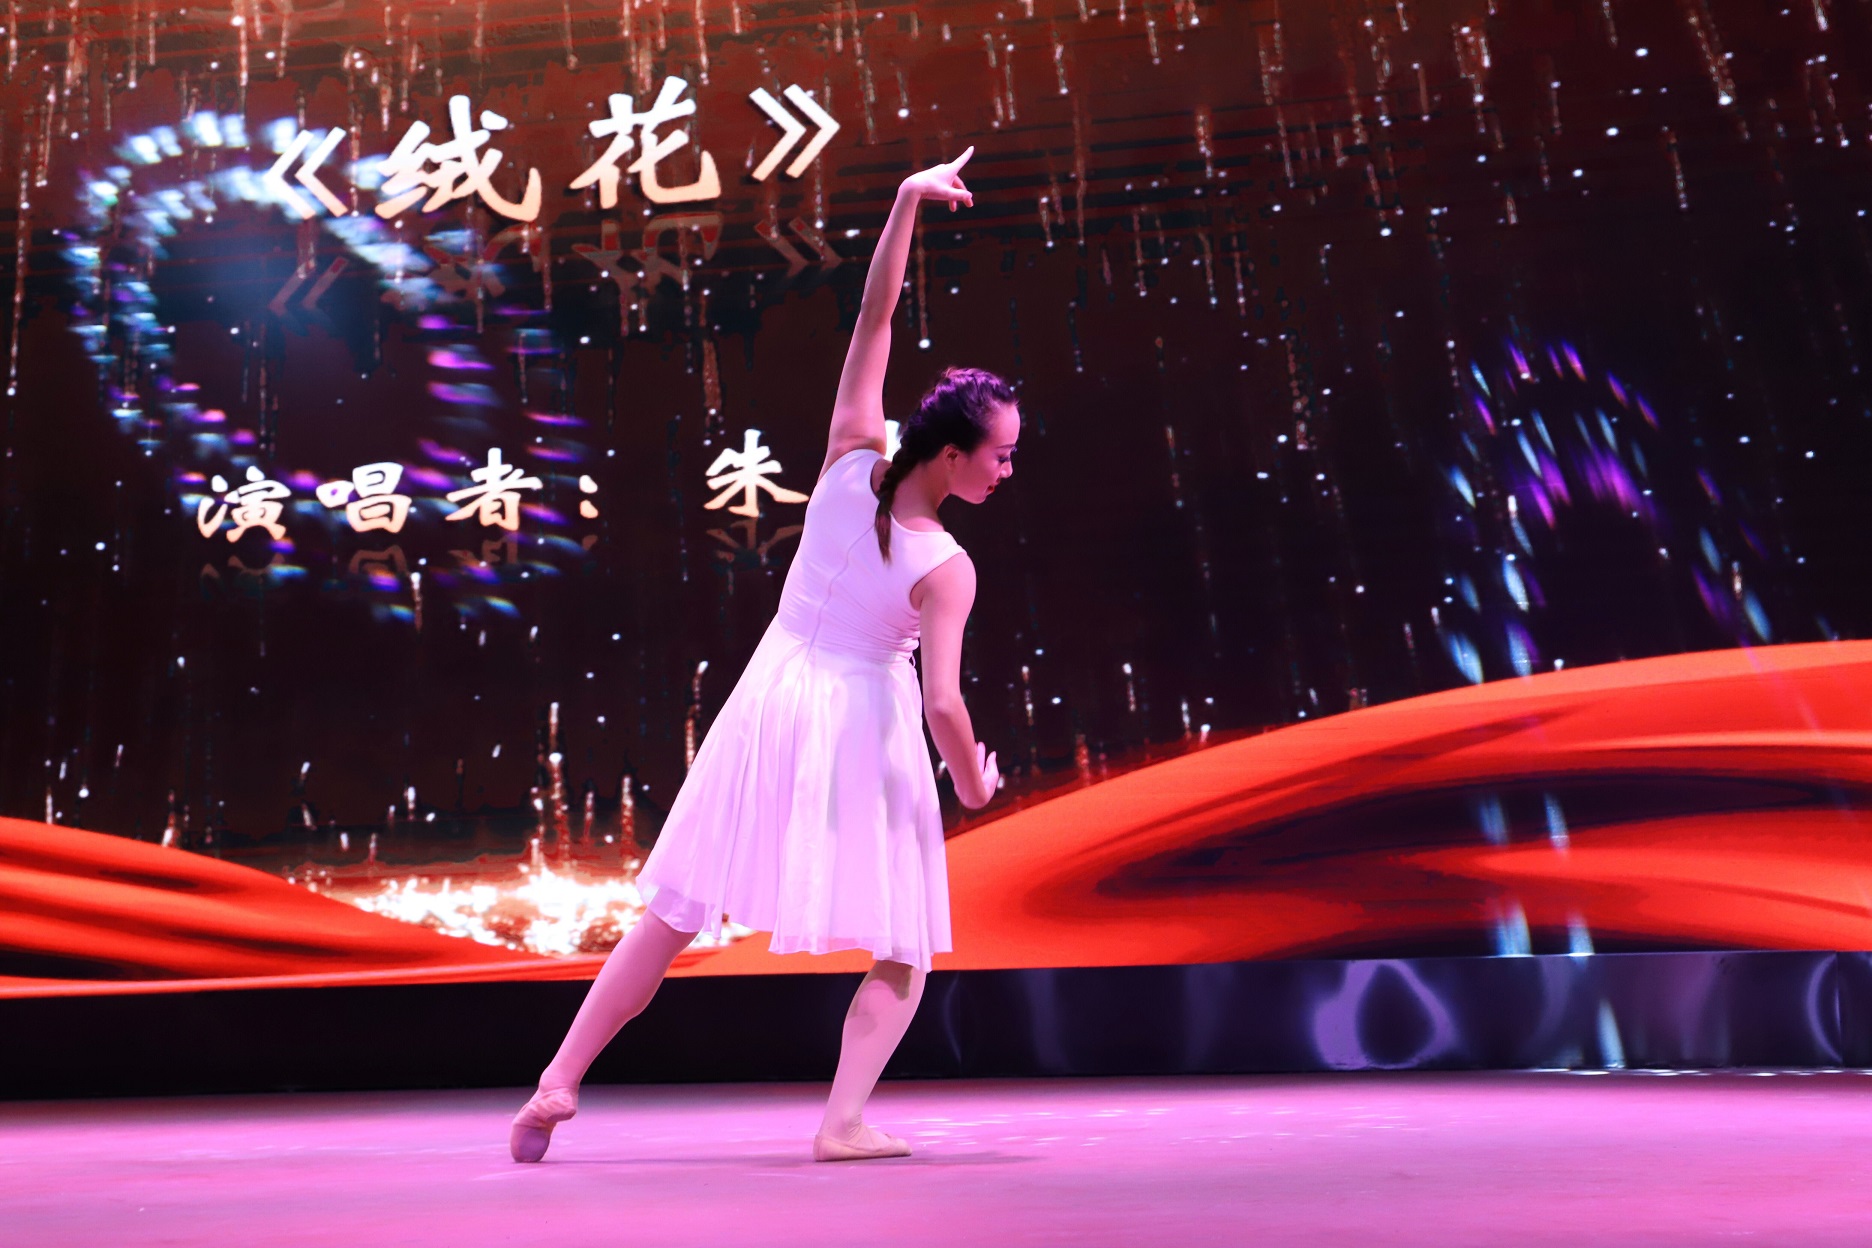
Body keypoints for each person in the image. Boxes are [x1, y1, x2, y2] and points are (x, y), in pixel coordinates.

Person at [509, 146, 1018, 1164]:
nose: (1008, 469)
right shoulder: (947, 565)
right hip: (860, 719)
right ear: (952, 454)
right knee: (904, 944)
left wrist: (905, 200)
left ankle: (558, 1080)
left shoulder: (850, 455)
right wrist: (972, 783)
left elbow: (873, 319)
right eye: (1000, 453)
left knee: (673, 911)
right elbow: (943, 705)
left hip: (771, 692)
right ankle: (842, 1122)